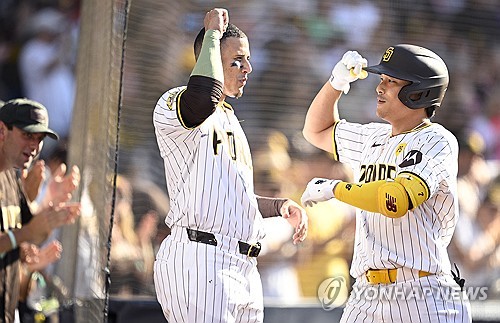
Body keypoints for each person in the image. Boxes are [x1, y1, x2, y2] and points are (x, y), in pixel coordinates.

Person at [152, 8, 308, 323]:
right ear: (206, 59)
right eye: (237, 60)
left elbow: (234, 197)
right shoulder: (175, 102)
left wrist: (277, 205)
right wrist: (211, 32)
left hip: (242, 265)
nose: (247, 68)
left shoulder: (230, 119)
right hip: (201, 256)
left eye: (247, 59)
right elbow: (202, 99)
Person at [300, 45, 471, 322]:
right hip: (365, 293)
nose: (380, 87)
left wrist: (336, 189)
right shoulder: (373, 138)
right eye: (382, 79)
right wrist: (337, 82)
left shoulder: (436, 140)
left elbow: (395, 200)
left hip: (421, 292)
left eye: (391, 81)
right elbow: (315, 130)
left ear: (418, 93)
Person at [0, 98, 80, 323]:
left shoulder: (10, 177)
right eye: (27, 135)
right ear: (2, 130)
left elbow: (30, 230)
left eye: (40, 139)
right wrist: (24, 236)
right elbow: (25, 233)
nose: (34, 146)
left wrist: (49, 204)